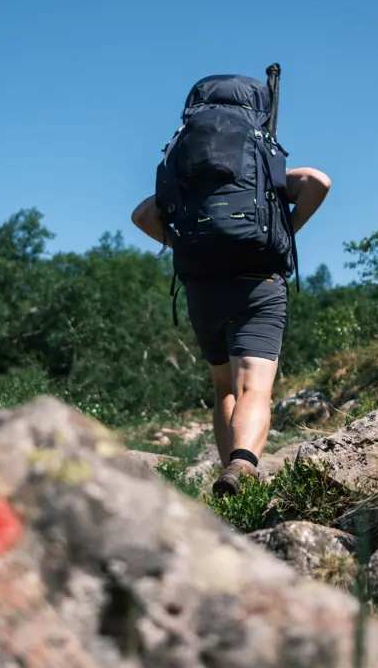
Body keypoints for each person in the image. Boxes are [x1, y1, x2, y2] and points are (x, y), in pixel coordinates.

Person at [130, 164, 331, 498]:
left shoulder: (190, 178)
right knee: (254, 387)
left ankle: (230, 487)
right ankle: (242, 463)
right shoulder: (263, 167)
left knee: (224, 386)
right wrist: (285, 230)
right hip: (259, 282)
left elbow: (142, 215)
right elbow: (319, 182)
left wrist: (182, 244)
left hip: (204, 289)